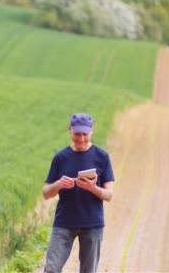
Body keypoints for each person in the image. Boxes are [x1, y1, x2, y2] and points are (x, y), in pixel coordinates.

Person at [42, 113, 115, 273]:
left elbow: (109, 195)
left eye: (85, 134)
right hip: (64, 223)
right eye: (77, 134)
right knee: (51, 269)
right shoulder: (60, 157)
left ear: (92, 131)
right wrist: (58, 184)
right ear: (70, 130)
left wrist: (92, 188)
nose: (81, 138)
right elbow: (46, 193)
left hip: (92, 224)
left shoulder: (102, 157)